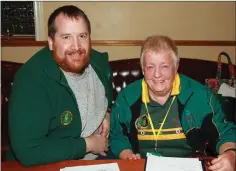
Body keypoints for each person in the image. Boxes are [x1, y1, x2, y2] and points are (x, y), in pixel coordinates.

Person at [7, 5, 114, 166]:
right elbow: (28, 152)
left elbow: (108, 92)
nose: (77, 46)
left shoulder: (99, 62)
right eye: (66, 37)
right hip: (50, 164)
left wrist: (107, 112)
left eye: (82, 36)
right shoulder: (31, 81)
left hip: (102, 157)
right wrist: (88, 144)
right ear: (51, 42)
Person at [109, 35, 236, 171]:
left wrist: (231, 154)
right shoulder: (127, 98)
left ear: (176, 67)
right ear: (142, 68)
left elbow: (224, 132)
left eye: (164, 66)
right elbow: (116, 134)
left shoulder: (200, 96)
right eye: (150, 67)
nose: (157, 74)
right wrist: (126, 154)